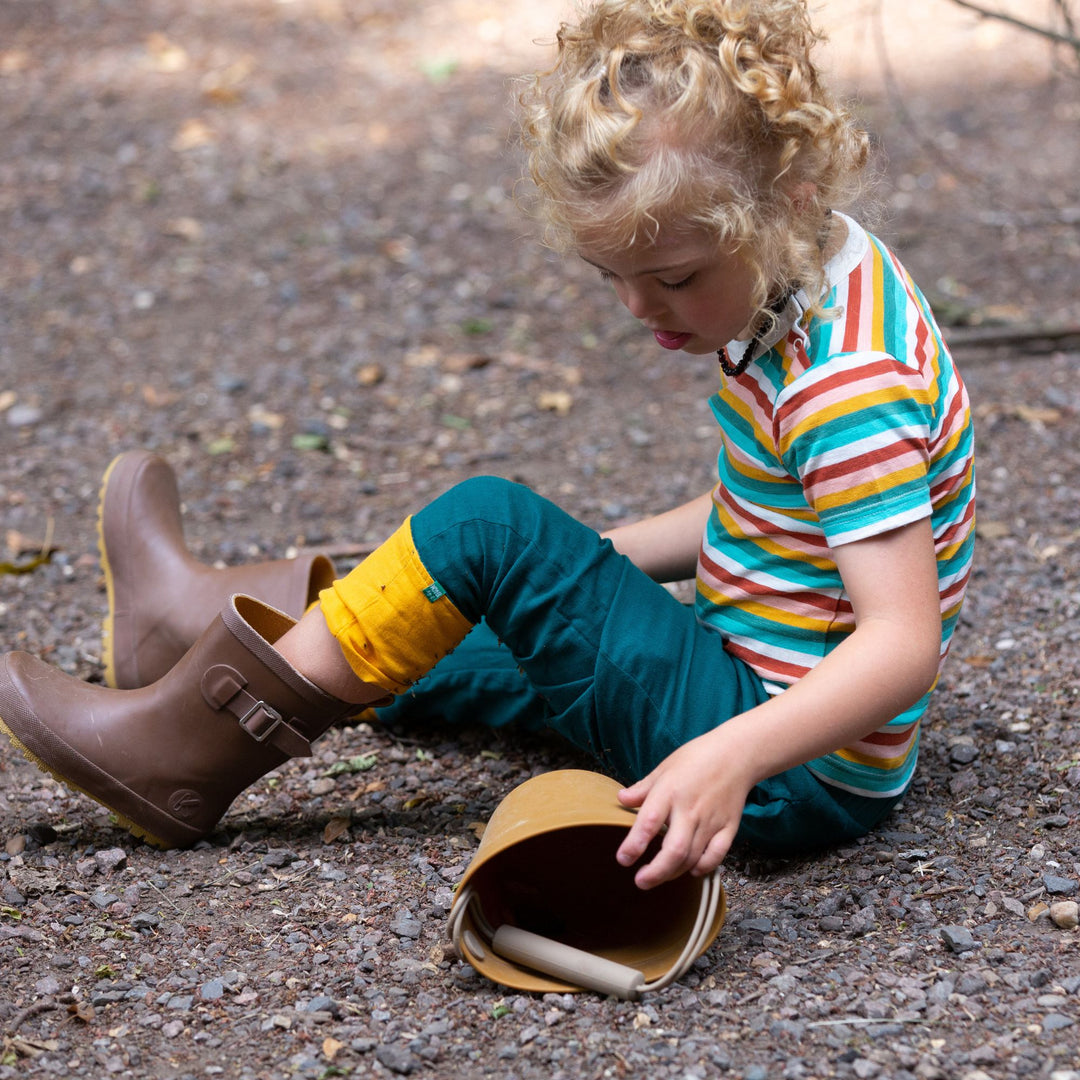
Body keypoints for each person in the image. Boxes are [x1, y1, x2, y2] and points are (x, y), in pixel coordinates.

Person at [0, 0, 974, 892]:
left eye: (672, 277)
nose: (642, 308)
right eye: (613, 279)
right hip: (743, 679)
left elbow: (901, 643)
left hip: (789, 768)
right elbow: (783, 509)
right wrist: (596, 564)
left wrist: (732, 758)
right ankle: (186, 622)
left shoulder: (847, 385)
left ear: (785, 201)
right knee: (440, 596)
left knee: (486, 526)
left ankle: (177, 760)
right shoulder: (815, 268)